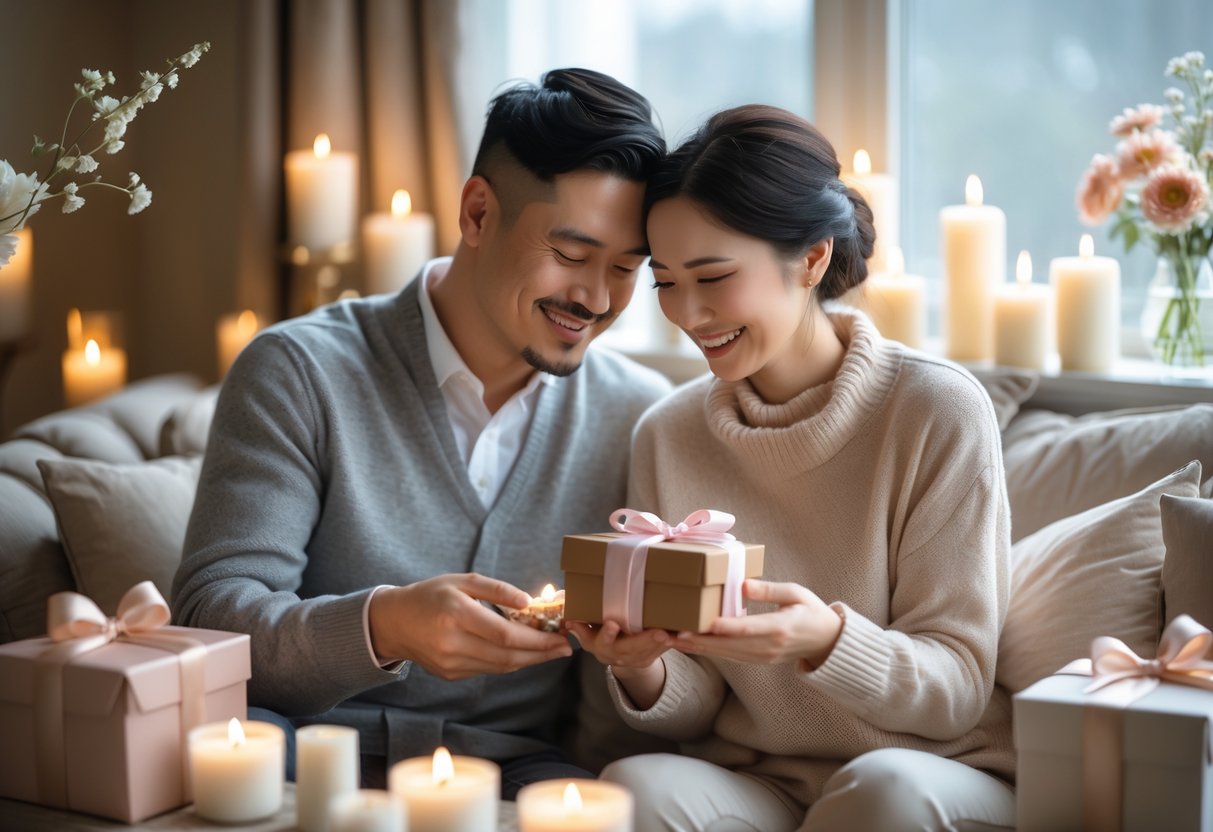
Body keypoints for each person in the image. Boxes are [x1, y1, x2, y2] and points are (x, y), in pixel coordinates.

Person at [171, 67, 671, 797]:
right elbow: (214, 619)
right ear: (476, 213)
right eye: (570, 256)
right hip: (307, 754)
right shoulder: (299, 370)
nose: (595, 299)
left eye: (626, 270)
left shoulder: (636, 412)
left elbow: (646, 692)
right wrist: (384, 626)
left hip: (521, 771)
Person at [567, 105, 1016, 831]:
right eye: (666, 282)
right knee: (631, 788)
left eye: (713, 276)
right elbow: (697, 693)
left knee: (881, 791)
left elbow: (958, 685)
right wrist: (640, 665)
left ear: (810, 259)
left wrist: (824, 641)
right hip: (760, 782)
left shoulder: (936, 411)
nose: (688, 312)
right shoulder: (668, 434)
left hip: (933, 773)